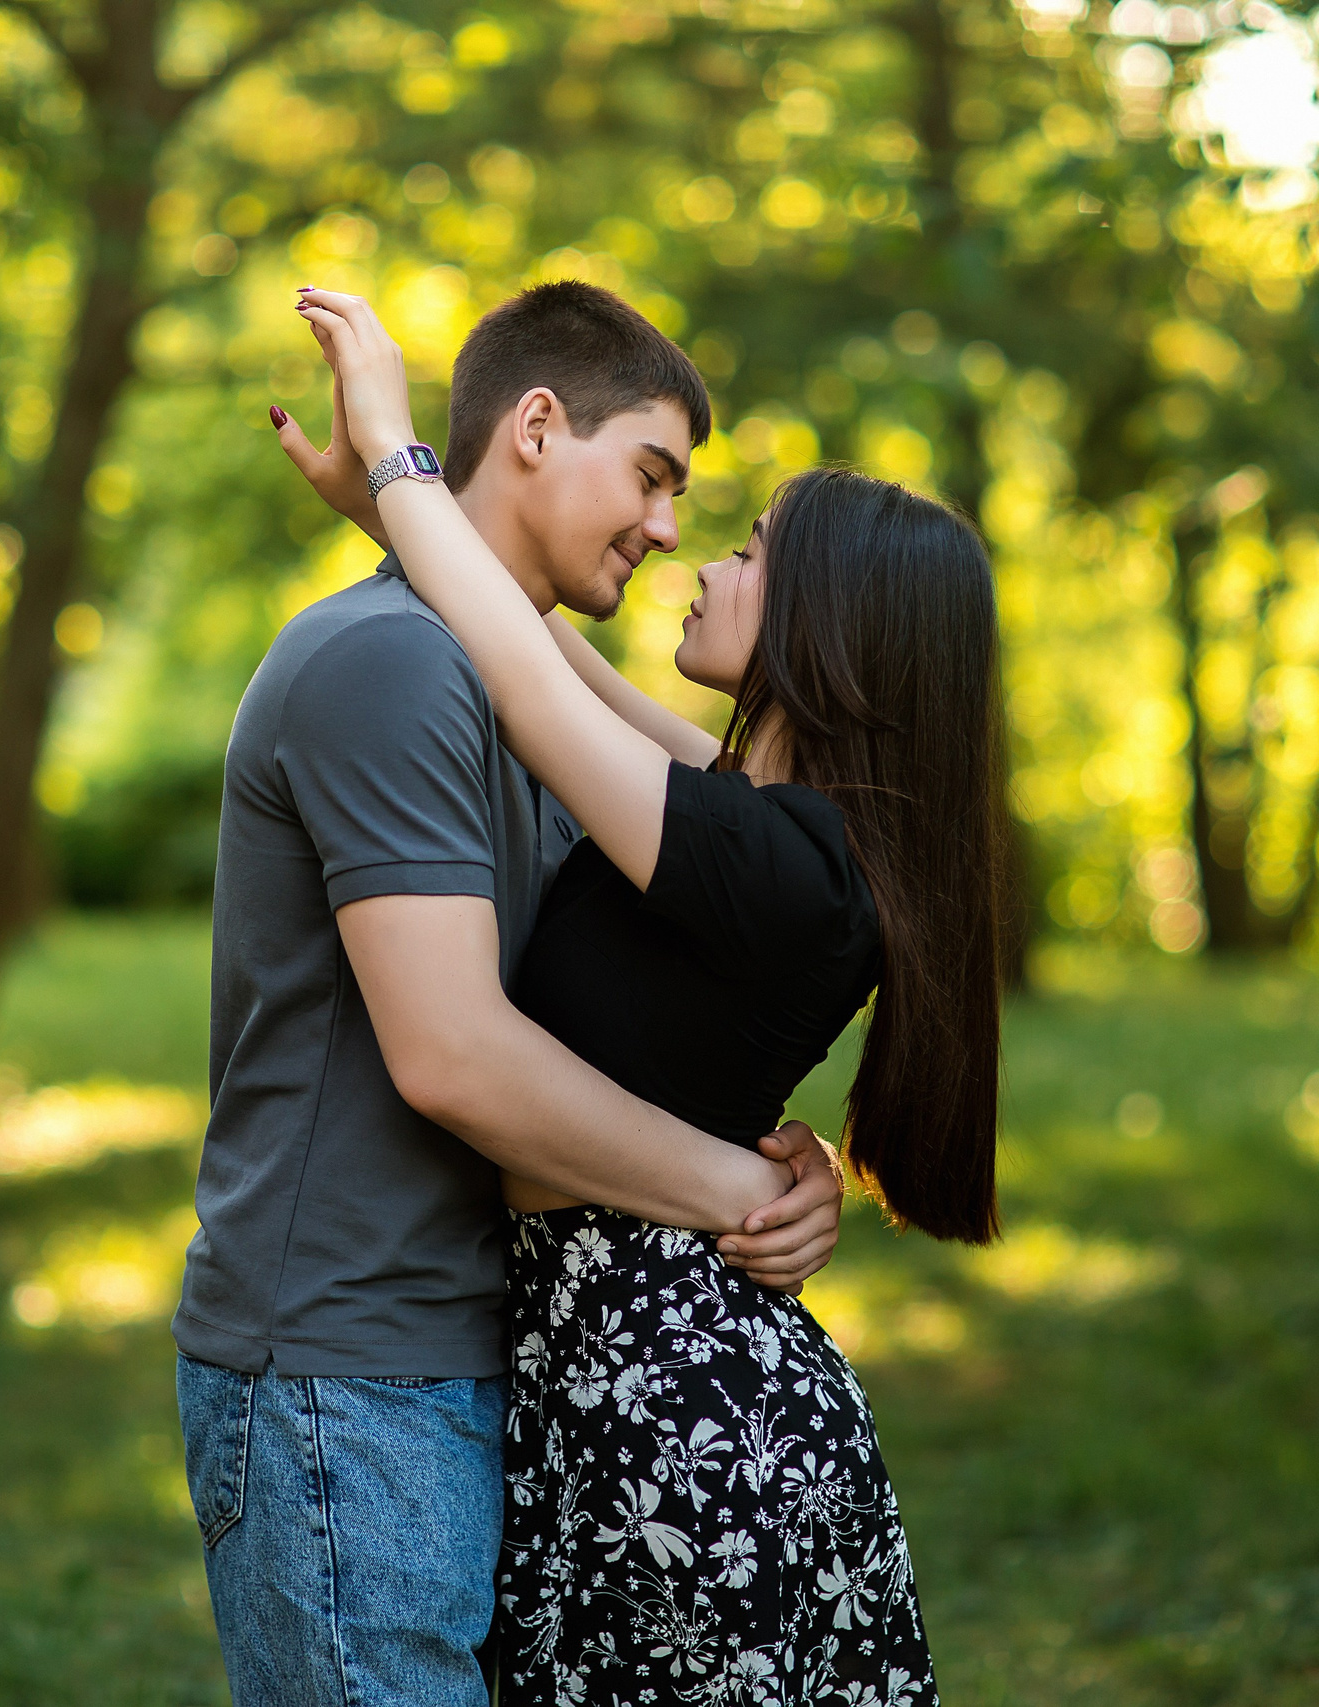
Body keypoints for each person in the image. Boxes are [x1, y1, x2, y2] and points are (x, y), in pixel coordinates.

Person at [283, 284, 1005, 1705]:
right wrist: (404, 520)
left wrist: (396, 449)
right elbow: (554, 653)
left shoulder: (767, 857)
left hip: (670, 1400)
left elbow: (535, 689)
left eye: (747, 550)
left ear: (829, 619)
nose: (699, 559)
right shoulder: (774, 826)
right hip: (629, 1362)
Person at [174, 281, 855, 1707]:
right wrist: (735, 1189)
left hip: (494, 1360)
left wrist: (795, 1172)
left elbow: (712, 866)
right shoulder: (390, 667)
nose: (669, 528)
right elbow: (459, 1060)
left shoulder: (518, 698)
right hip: (348, 1380)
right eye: (653, 475)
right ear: (537, 426)